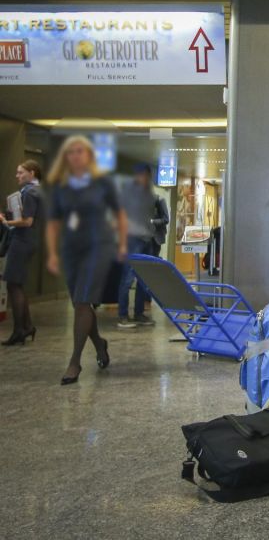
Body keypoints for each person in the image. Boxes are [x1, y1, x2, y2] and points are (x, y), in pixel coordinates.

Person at [46, 136, 128, 386]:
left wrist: (122, 244)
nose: (75, 155)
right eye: (70, 152)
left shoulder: (102, 182)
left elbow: (119, 214)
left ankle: (75, 362)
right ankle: (100, 345)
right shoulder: (60, 186)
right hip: (72, 249)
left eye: (80, 151)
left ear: (89, 155)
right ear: (65, 157)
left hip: (98, 247)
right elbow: (53, 222)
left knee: (83, 301)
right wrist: (52, 253)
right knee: (81, 304)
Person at [1, 160, 45, 345]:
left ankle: (20, 329)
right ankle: (26, 327)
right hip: (29, 241)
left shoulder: (30, 192)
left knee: (12, 284)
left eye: (21, 172)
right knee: (16, 284)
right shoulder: (37, 191)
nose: (17, 175)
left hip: (22, 241)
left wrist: (5, 222)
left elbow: (27, 221)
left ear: (32, 173)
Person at [116, 163, 158, 329]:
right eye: (142, 175)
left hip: (146, 239)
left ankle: (139, 313)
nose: (145, 178)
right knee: (127, 279)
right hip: (132, 239)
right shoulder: (128, 192)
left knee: (143, 279)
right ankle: (123, 315)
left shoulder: (149, 192)